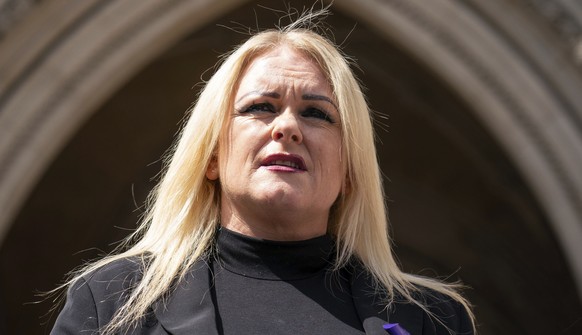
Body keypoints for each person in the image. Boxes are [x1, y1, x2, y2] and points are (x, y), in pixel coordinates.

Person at [50, 9, 475, 335]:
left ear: (349, 169)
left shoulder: (430, 320)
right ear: (211, 155)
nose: (287, 127)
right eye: (260, 108)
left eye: (316, 113)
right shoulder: (110, 303)